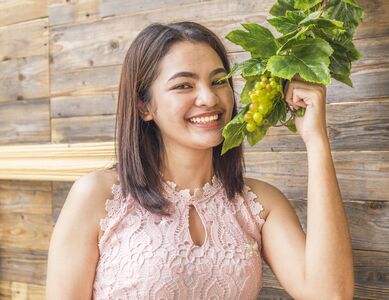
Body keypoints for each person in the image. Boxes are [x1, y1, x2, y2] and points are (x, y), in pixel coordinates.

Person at [45, 21, 354, 300]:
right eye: (184, 85)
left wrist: (316, 141)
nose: (209, 98)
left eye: (219, 81)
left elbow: (330, 294)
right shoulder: (97, 196)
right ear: (144, 107)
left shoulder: (260, 204)